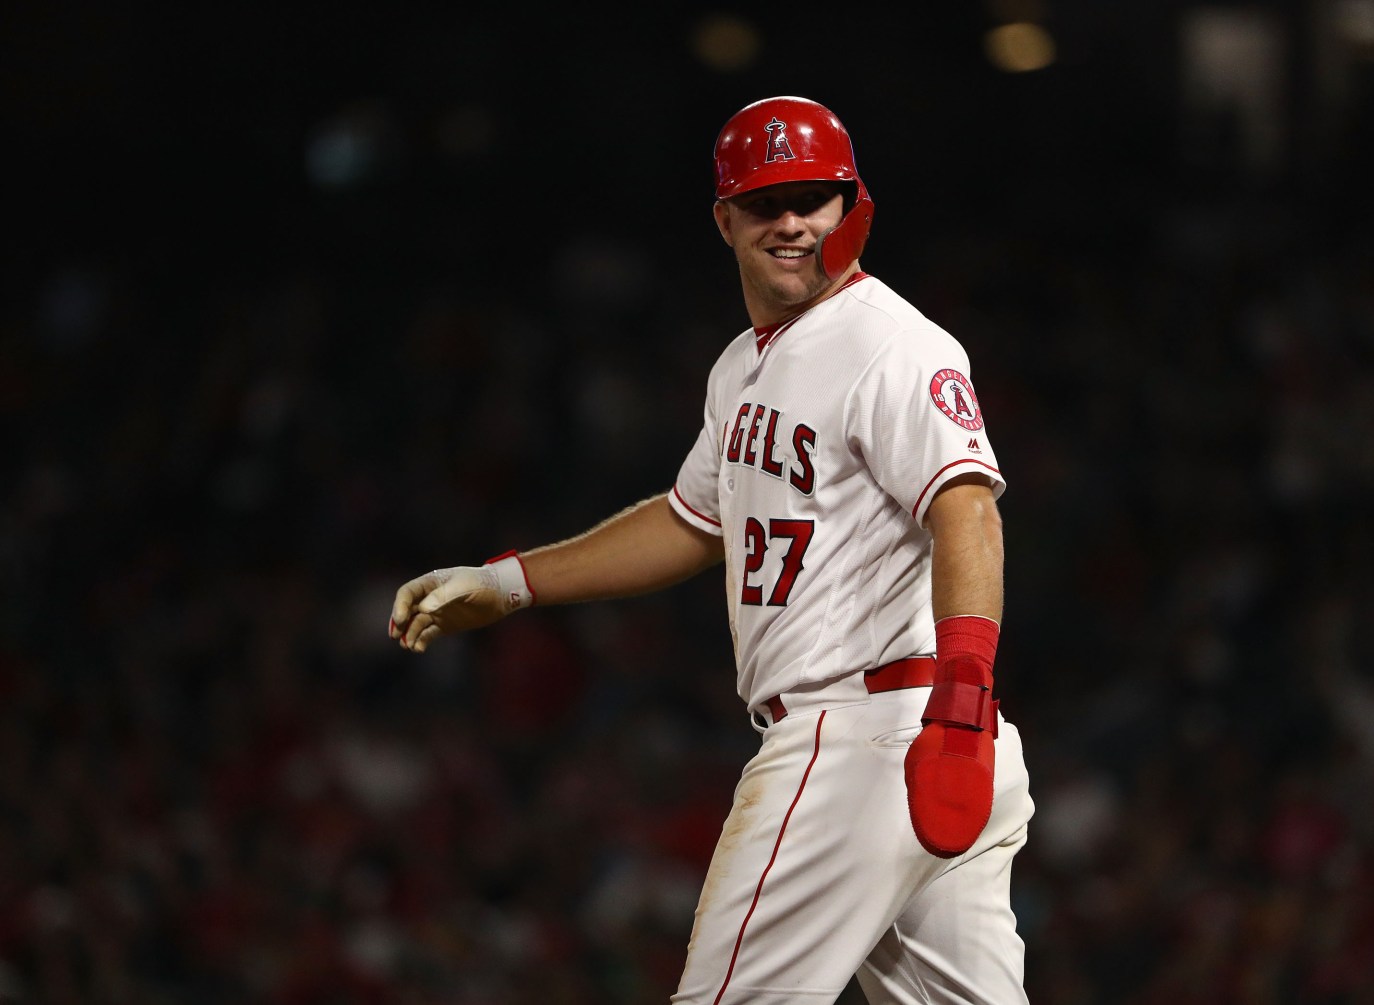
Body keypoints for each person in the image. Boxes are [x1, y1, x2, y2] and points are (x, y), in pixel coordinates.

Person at [389, 95, 1034, 1004]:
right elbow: (693, 521)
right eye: (767, 203)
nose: (792, 223)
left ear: (852, 205)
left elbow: (967, 512)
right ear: (725, 219)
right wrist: (509, 582)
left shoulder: (892, 343)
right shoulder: (742, 365)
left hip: (871, 732)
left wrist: (962, 705)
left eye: (812, 199)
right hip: (888, 735)